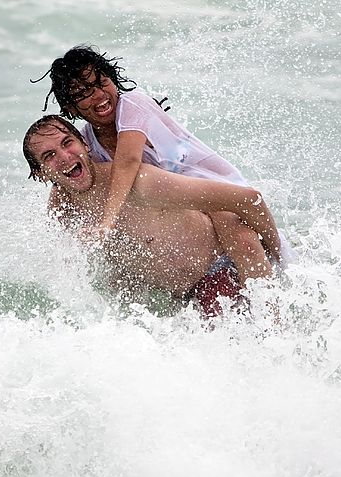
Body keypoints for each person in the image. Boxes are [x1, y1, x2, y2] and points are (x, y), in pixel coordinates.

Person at [33, 45, 286, 285]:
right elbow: (65, 184)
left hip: (216, 191)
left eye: (101, 83)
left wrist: (107, 223)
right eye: (83, 93)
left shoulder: (133, 104)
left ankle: (281, 266)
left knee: (243, 239)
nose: (98, 95)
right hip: (188, 213)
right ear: (70, 108)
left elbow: (128, 161)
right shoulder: (85, 142)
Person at [23, 115, 282, 316]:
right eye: (49, 156)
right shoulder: (62, 211)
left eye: (68, 143)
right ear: (41, 174)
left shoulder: (139, 183)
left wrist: (279, 255)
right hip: (176, 296)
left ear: (85, 145)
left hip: (221, 270)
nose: (65, 157)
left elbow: (248, 199)